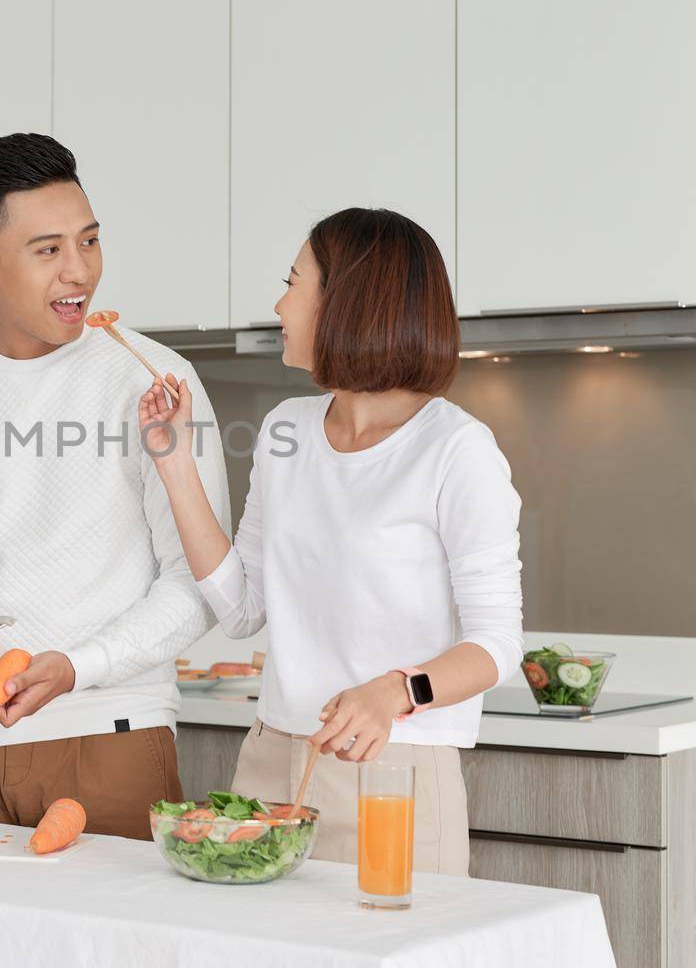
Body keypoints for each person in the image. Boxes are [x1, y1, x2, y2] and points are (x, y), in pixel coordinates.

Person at [0, 132, 230, 839]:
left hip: (110, 732)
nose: (79, 272)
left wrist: (78, 667)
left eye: (88, 242)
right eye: (48, 250)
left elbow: (196, 586)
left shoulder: (153, 383)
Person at [137, 207, 523, 874]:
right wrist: (174, 461)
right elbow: (241, 609)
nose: (279, 303)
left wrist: (396, 692)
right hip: (268, 761)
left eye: (294, 282)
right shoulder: (286, 430)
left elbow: (497, 644)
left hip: (392, 773)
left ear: (348, 302)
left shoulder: (457, 450)